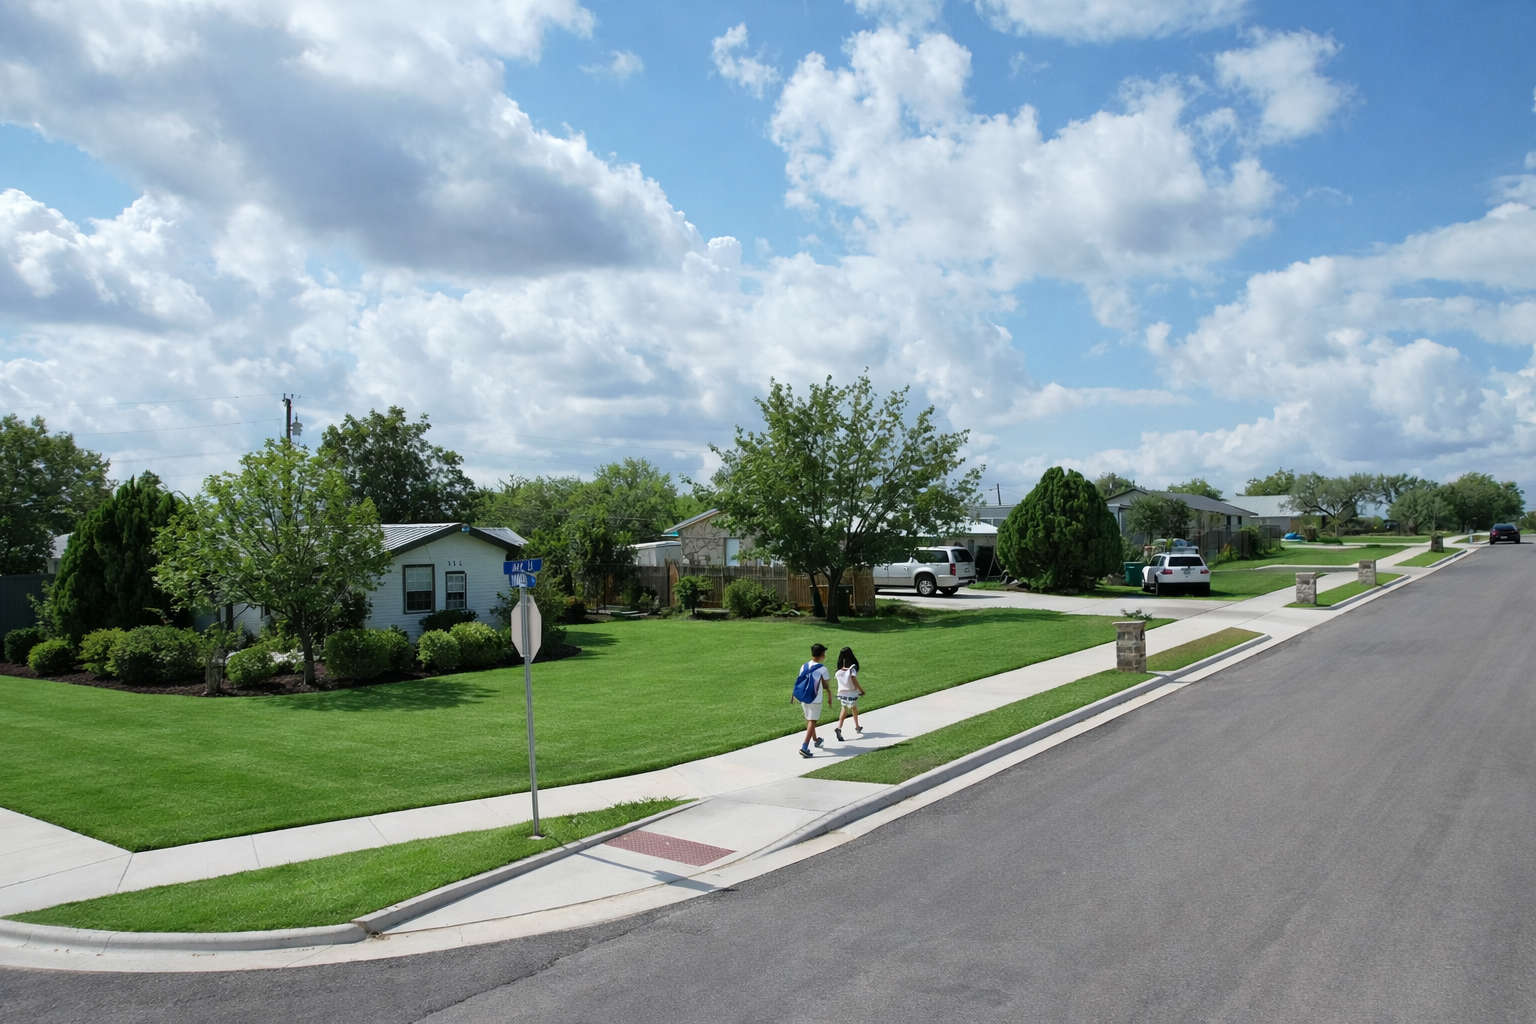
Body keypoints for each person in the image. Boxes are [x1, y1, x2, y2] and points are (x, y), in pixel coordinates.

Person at [792, 643, 831, 758]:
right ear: (822, 654)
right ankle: (804, 747)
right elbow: (825, 685)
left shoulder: (803, 666)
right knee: (812, 721)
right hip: (815, 698)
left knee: (809, 719)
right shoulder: (822, 669)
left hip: (804, 696)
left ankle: (816, 739)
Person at [833, 646, 865, 742]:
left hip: (842, 694)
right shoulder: (852, 669)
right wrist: (861, 690)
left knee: (845, 709)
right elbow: (854, 680)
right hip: (851, 693)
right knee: (852, 708)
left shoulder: (838, 671)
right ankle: (851, 726)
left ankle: (847, 727)